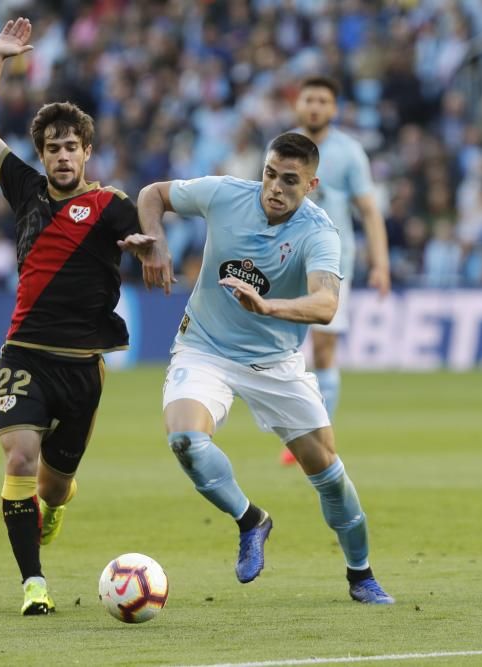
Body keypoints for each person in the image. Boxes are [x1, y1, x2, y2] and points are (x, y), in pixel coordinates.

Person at [121, 132, 395, 604]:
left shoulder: (319, 231)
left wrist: (270, 309)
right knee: (185, 439)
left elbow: (327, 304)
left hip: (275, 363)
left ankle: (361, 574)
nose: (275, 187)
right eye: (270, 174)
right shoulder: (226, 193)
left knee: (328, 473)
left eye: (290, 180)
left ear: (311, 185)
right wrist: (157, 240)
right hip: (204, 348)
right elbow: (153, 194)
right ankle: (252, 521)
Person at [0, 18, 144, 615]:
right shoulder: (25, 190)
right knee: (19, 456)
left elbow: (144, 231)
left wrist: (151, 248)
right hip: (25, 354)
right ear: (42, 156)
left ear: (87, 153)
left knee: (53, 485)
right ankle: (33, 585)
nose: (62, 155)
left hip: (82, 368)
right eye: (52, 148)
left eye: (72, 146)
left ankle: (57, 504)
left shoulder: (108, 205)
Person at [277, 76, 390, 465]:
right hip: (285, 257)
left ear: (334, 109)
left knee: (324, 348)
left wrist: (381, 264)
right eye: (309, 99)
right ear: (299, 104)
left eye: (323, 101)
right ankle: (296, 427)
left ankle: (318, 433)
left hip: (332, 262)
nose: (315, 107)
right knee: (283, 348)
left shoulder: (349, 152)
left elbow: (370, 211)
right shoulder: (281, 148)